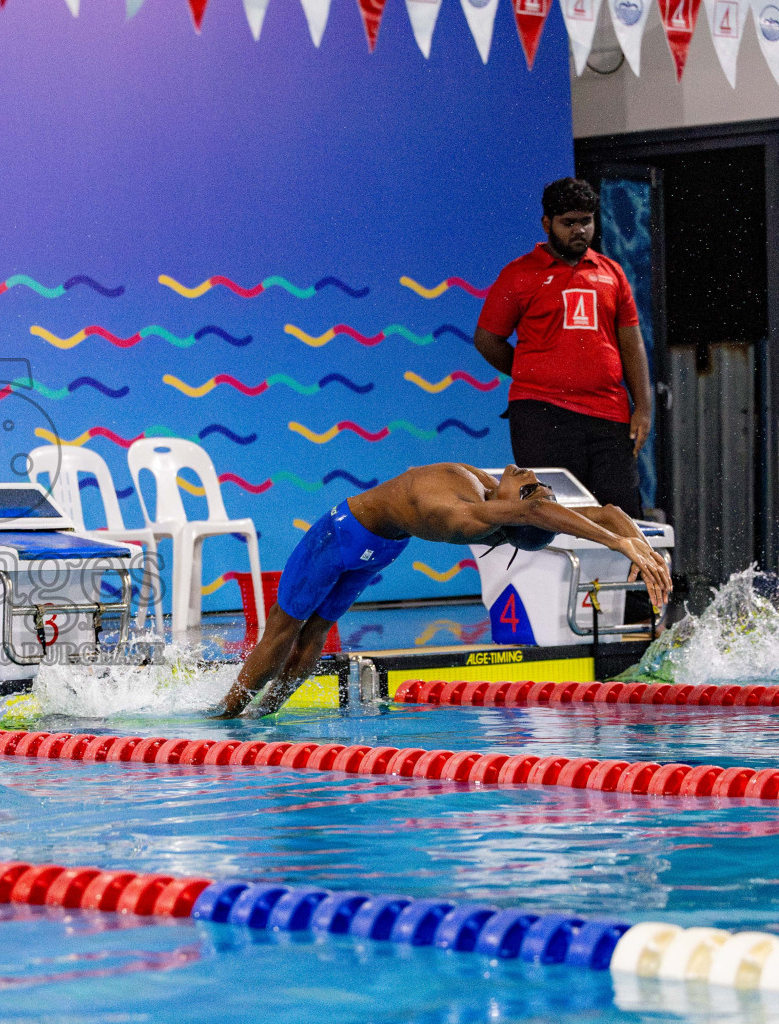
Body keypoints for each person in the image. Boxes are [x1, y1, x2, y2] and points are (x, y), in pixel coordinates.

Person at [212, 464, 671, 718]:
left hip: (343, 534)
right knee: (312, 635)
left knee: (285, 629)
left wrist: (614, 541)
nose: (527, 471)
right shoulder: (495, 507)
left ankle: (230, 716)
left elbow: (537, 514)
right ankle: (262, 713)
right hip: (383, 547)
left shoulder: (466, 513)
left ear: (518, 507)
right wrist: (634, 542)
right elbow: (607, 510)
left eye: (530, 487)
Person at [473, 178, 653, 518]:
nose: (579, 230)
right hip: (542, 416)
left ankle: (628, 573)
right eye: (568, 222)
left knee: (623, 514)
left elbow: (631, 342)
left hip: (608, 415)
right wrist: (531, 373)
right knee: (554, 517)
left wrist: (642, 406)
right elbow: (487, 339)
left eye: (585, 221)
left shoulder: (612, 274)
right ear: (547, 224)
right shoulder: (519, 275)